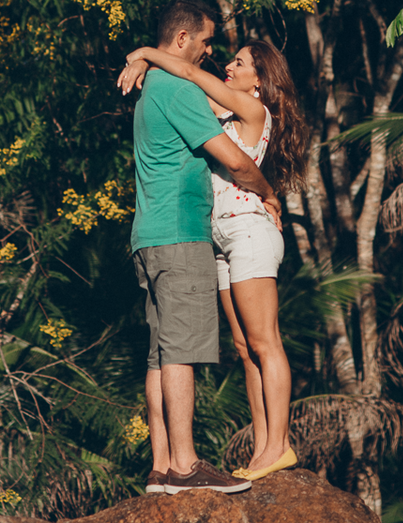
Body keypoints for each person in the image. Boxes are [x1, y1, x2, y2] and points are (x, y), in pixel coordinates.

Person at [120, 33, 309, 483]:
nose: (228, 66)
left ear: (259, 82)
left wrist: (143, 52)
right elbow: (177, 88)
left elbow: (188, 70)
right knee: (244, 348)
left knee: (265, 342)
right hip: (220, 237)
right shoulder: (224, 110)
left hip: (248, 230)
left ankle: (279, 445)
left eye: (240, 64)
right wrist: (149, 68)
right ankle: (263, 447)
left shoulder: (254, 110)